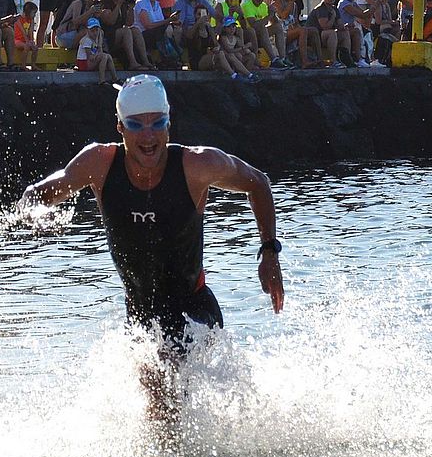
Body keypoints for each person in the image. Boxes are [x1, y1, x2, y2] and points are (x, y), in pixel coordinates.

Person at [19, 75, 285, 411]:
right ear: (120, 128)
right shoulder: (99, 164)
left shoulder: (197, 165)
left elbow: (257, 183)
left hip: (194, 307)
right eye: (136, 125)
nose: (148, 136)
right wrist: (31, 209)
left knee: (162, 377)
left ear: (169, 123)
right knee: (158, 404)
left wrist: (269, 252)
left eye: (157, 123)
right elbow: (40, 192)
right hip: (140, 312)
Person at [100, 0, 153, 70]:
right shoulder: (106, 0)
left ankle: (145, 61)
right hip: (108, 37)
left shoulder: (125, 0)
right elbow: (111, 21)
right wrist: (119, 5)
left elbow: (129, 22)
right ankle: (133, 62)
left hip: (120, 34)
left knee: (135, 30)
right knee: (126, 31)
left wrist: (131, 8)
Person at [272, 0, 315, 68]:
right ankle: (304, 62)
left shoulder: (294, 4)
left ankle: (320, 59)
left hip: (290, 31)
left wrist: (298, 27)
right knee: (302, 30)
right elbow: (283, 16)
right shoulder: (277, 0)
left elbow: (295, 22)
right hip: (280, 33)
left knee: (312, 30)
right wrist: (291, 1)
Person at [244, 0, 288, 67]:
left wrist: (273, 13)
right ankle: (274, 59)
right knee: (261, 28)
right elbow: (253, 25)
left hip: (259, 35)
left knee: (278, 27)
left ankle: (282, 58)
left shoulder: (263, 6)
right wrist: (269, 16)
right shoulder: (247, 5)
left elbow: (275, 23)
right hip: (247, 35)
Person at [310, 0, 353, 68]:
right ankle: (333, 61)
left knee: (345, 32)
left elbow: (339, 25)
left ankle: (347, 59)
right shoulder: (321, 9)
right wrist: (333, 16)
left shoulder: (334, 9)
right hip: (315, 36)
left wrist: (346, 26)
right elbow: (325, 27)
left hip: (325, 35)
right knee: (331, 33)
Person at [75, 17, 117, 82]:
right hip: (83, 63)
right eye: (92, 31)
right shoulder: (86, 40)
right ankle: (102, 80)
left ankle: (115, 78)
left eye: (96, 30)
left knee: (108, 56)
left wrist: (100, 44)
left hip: (89, 62)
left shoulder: (95, 40)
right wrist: (97, 56)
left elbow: (100, 52)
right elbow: (90, 57)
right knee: (104, 56)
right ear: (87, 30)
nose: (95, 33)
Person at [13, 0, 39, 69]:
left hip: (25, 40)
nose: (35, 15)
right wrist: (27, 41)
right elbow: (23, 32)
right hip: (17, 40)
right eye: (34, 13)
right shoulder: (19, 19)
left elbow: (31, 31)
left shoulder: (31, 19)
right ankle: (23, 65)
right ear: (28, 12)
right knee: (26, 46)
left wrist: (32, 41)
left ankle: (33, 64)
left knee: (35, 48)